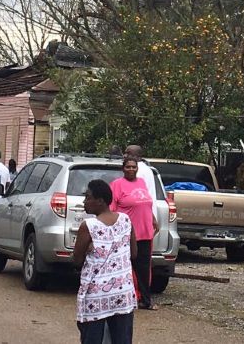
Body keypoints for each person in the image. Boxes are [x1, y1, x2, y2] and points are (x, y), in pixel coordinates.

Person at [73, 179, 137, 344]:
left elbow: (77, 260)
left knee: (92, 338)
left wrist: (89, 250)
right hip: (123, 292)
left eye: (88, 197)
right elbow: (134, 253)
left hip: (97, 295)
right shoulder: (125, 219)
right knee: (122, 339)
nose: (84, 201)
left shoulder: (88, 226)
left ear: (100, 201)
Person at [110, 156, 158, 310]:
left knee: (144, 269)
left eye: (133, 167)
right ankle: (123, 299)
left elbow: (146, 204)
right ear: (122, 169)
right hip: (127, 234)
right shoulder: (117, 185)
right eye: (128, 167)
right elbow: (112, 209)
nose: (131, 169)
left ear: (137, 168)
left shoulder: (142, 182)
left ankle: (146, 300)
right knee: (125, 267)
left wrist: (153, 219)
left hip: (145, 233)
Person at [123, 145, 158, 219]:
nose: (124, 155)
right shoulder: (147, 169)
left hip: (139, 214)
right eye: (125, 153)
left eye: (128, 153)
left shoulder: (136, 171)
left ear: (137, 156)